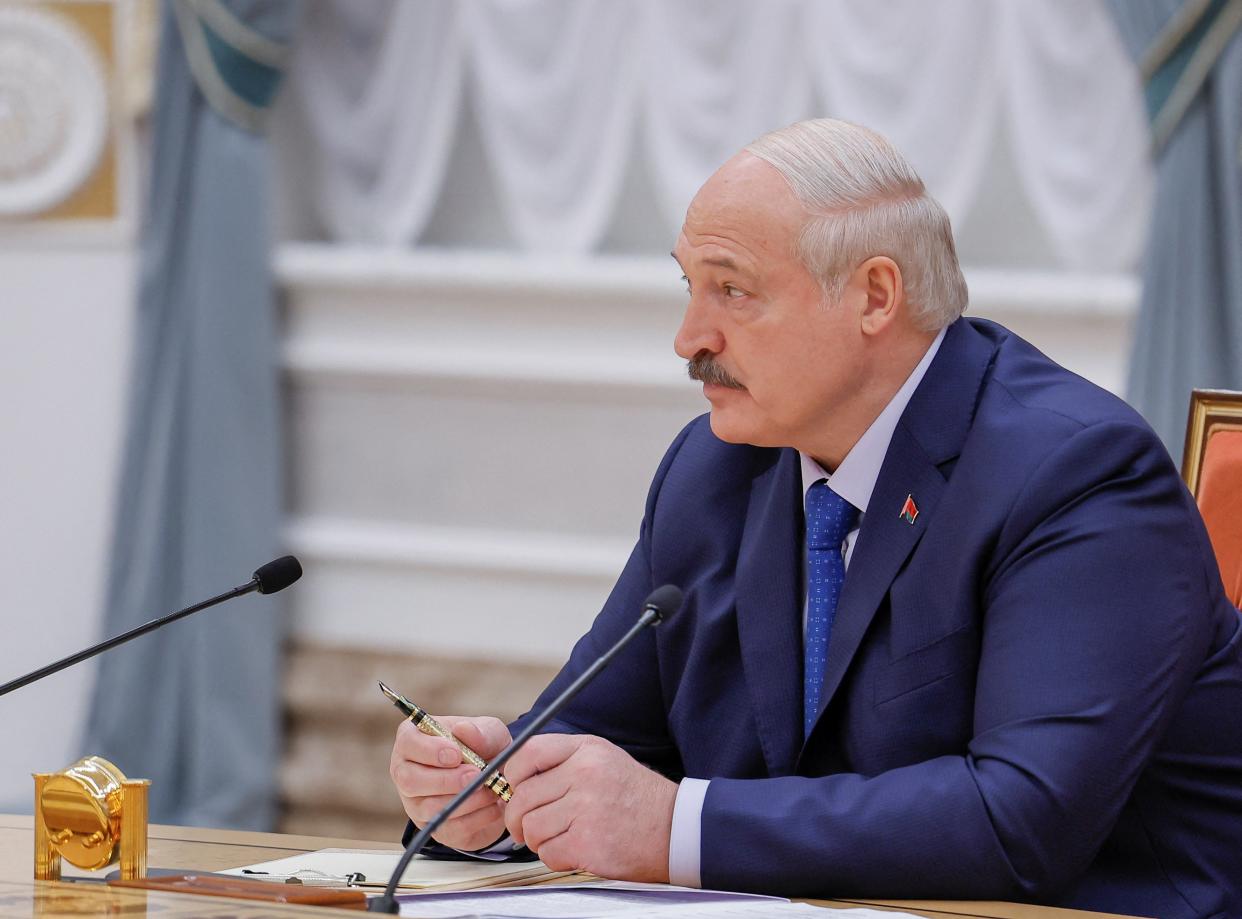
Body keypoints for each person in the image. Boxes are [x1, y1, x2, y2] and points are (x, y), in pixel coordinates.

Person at [389, 119, 1242, 918]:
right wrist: (496, 794)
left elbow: (1018, 820)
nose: (689, 337)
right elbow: (603, 733)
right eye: (690, 287)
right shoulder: (715, 467)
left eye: (733, 290)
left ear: (874, 296)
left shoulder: (1074, 471)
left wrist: (674, 827)